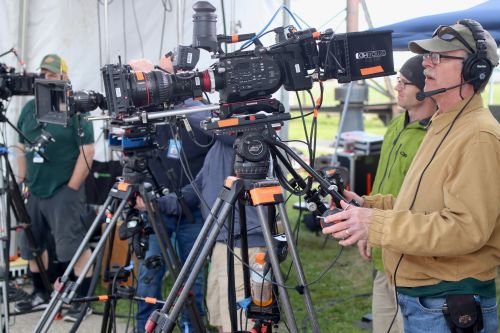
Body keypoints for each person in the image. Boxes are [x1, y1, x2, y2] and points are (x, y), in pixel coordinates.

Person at [323, 20, 499, 333]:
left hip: (446, 306)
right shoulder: (444, 124)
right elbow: (423, 204)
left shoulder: (478, 136)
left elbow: (464, 229)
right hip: (428, 303)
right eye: (428, 56)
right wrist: (370, 205)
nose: (426, 63)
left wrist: (372, 223)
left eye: (440, 57)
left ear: (476, 70)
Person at [137, 131, 267, 333]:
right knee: (221, 316)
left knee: (240, 322)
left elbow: (204, 117)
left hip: (242, 243)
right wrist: (157, 203)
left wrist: (182, 103)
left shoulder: (239, 139)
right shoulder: (215, 150)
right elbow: (194, 190)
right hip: (222, 242)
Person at [128, 57, 211, 333]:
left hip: (193, 209)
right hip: (156, 209)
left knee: (192, 281)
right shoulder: (149, 113)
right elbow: (134, 154)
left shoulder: (199, 113)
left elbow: (212, 170)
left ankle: (192, 326)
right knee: (149, 276)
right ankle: (145, 328)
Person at [15, 54, 95, 322]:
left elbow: (88, 150)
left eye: (51, 74)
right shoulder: (29, 109)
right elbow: (21, 148)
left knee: (72, 245)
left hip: (63, 190)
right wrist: (23, 182)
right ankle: (41, 294)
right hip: (34, 190)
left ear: (63, 76)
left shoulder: (74, 107)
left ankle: (82, 301)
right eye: (43, 74)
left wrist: (72, 187)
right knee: (32, 246)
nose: (46, 78)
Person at [364, 55, 436, 333]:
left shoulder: (433, 136)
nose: (398, 88)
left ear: (424, 89)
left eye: (405, 83)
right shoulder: (396, 124)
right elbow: (383, 184)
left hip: (412, 258)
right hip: (384, 251)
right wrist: (369, 225)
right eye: (398, 81)